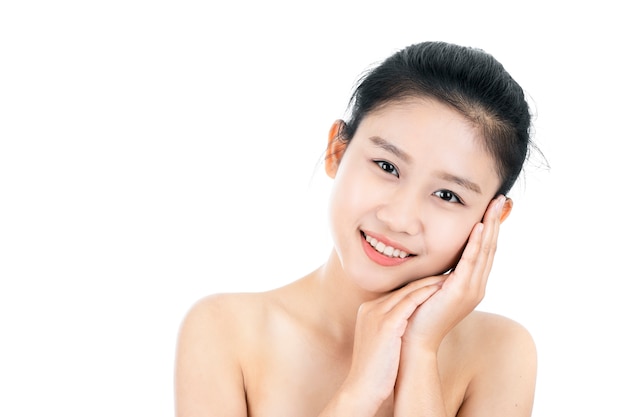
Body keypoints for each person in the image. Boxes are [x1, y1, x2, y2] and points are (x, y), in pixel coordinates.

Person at [174, 41, 538, 417]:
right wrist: (360, 393)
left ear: (492, 218)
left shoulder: (500, 353)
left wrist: (420, 351)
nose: (398, 219)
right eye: (387, 166)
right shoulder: (225, 332)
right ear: (337, 150)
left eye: (447, 194)